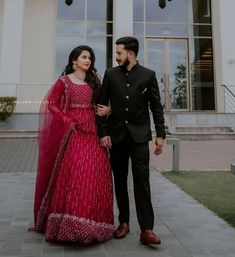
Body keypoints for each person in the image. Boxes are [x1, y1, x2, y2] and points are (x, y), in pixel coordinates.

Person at [33, 45, 114, 244]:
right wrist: (66, 120)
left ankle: (93, 224)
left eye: (90, 58)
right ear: (74, 61)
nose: (88, 60)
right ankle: (71, 224)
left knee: (97, 174)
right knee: (77, 174)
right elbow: (51, 103)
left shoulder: (95, 81)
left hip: (93, 132)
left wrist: (109, 110)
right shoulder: (64, 81)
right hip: (74, 132)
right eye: (84, 57)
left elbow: (102, 103)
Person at [96, 36, 166, 245]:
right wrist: (103, 133)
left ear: (131, 53)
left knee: (142, 180)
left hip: (139, 138)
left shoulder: (148, 75)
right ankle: (124, 222)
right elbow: (100, 108)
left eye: (119, 53)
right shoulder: (110, 75)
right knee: (119, 180)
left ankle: (147, 229)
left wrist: (161, 135)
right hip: (116, 138)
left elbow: (156, 107)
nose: (116, 57)